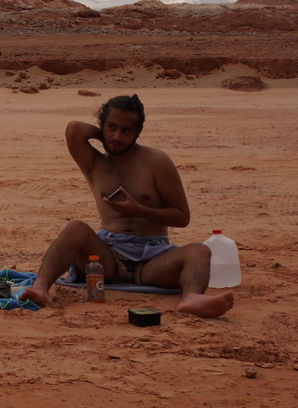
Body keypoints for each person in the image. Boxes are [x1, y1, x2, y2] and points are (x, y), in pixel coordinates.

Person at [19, 95, 235, 317]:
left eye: (126, 131)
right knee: (75, 228)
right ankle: (41, 287)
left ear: (138, 132)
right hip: (107, 256)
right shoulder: (94, 162)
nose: (117, 136)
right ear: (102, 126)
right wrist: (106, 136)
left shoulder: (156, 162)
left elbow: (182, 217)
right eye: (111, 127)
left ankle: (191, 298)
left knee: (199, 251)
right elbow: (74, 129)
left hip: (153, 258)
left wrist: (140, 210)